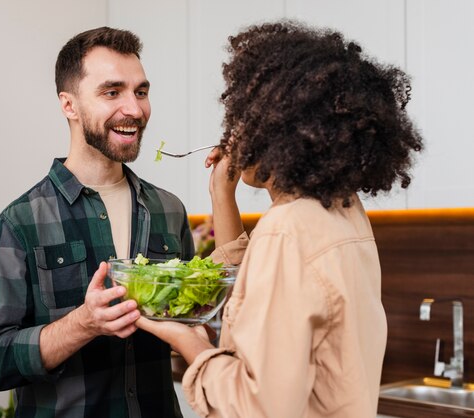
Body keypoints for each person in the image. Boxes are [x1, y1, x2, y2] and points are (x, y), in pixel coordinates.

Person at [136, 20, 423, 417]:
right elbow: (251, 289)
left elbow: (261, 406)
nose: (233, 132)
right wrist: (223, 191)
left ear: (278, 127)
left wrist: (193, 346)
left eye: (243, 119)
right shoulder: (341, 210)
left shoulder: (286, 230)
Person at [0, 27, 194, 418]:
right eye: (112, 92)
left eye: (140, 92)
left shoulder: (170, 210)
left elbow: (188, 328)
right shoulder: (20, 221)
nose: (134, 109)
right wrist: (83, 323)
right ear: (69, 105)